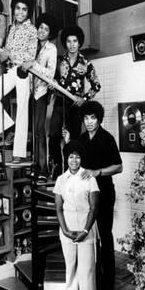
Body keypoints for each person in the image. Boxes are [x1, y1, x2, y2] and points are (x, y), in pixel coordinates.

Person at [64, 100, 123, 290]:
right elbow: (76, 161)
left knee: (105, 236)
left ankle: (108, 284)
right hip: (87, 197)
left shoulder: (107, 138)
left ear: (99, 119)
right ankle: (93, 280)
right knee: (89, 239)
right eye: (86, 118)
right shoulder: (81, 138)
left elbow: (119, 166)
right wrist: (67, 143)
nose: (89, 122)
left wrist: (97, 172)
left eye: (93, 118)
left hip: (105, 194)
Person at [0, 0, 38, 164]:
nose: (20, 12)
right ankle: (9, 128)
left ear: (28, 12)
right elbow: (5, 54)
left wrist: (9, 54)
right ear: (13, 9)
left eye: (24, 9)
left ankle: (19, 153)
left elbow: (30, 56)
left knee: (22, 112)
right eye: (18, 8)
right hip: (10, 71)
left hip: (23, 72)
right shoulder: (11, 28)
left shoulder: (32, 30)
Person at [53, 142, 100, 290]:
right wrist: (65, 230)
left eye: (78, 156)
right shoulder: (60, 180)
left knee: (86, 273)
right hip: (68, 233)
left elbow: (95, 207)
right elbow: (58, 208)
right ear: (66, 158)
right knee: (70, 271)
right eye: (71, 156)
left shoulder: (89, 177)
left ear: (82, 158)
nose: (74, 160)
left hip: (86, 232)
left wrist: (86, 230)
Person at [49, 25, 101, 178]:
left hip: (75, 106)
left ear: (79, 43)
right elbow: (53, 81)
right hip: (60, 101)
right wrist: (53, 86)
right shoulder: (60, 61)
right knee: (53, 134)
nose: (72, 44)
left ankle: (73, 171)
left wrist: (83, 99)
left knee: (74, 139)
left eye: (75, 41)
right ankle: (58, 166)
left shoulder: (85, 63)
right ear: (65, 43)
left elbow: (96, 85)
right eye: (69, 41)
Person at [20, 13, 58, 182]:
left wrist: (33, 64)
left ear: (50, 33)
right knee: (30, 131)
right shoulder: (31, 43)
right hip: (26, 91)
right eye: (41, 27)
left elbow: (50, 73)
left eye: (46, 29)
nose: (42, 31)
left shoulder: (52, 49)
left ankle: (43, 168)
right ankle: (34, 165)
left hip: (40, 93)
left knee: (39, 131)